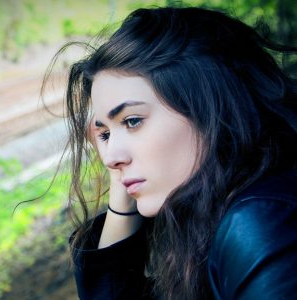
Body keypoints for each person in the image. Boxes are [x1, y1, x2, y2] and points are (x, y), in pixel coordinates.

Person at [47, 5, 297, 300]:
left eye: (132, 121)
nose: (110, 158)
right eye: (105, 133)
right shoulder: (217, 212)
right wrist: (122, 189)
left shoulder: (261, 223)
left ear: (208, 106)